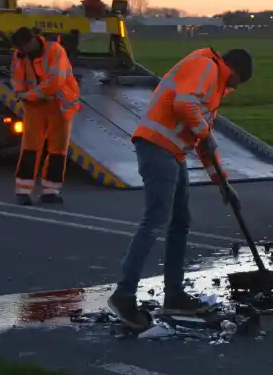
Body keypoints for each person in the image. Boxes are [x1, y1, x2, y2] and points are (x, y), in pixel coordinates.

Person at [107, 47, 254, 327]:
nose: (234, 88)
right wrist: (203, 131)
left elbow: (202, 143)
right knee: (155, 220)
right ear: (233, 70)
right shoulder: (206, 67)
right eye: (237, 82)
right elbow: (183, 105)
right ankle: (123, 295)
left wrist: (222, 183)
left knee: (180, 221)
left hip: (173, 152)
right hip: (157, 146)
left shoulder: (214, 84)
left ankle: (174, 294)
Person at [9, 27, 80, 205]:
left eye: (23, 47)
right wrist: (20, 92)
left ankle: (50, 191)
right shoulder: (20, 55)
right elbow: (17, 78)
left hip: (59, 105)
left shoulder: (55, 51)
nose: (22, 51)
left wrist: (28, 95)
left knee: (58, 150)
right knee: (30, 147)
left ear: (32, 41)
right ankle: (23, 191)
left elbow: (55, 83)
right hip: (36, 106)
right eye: (19, 48)